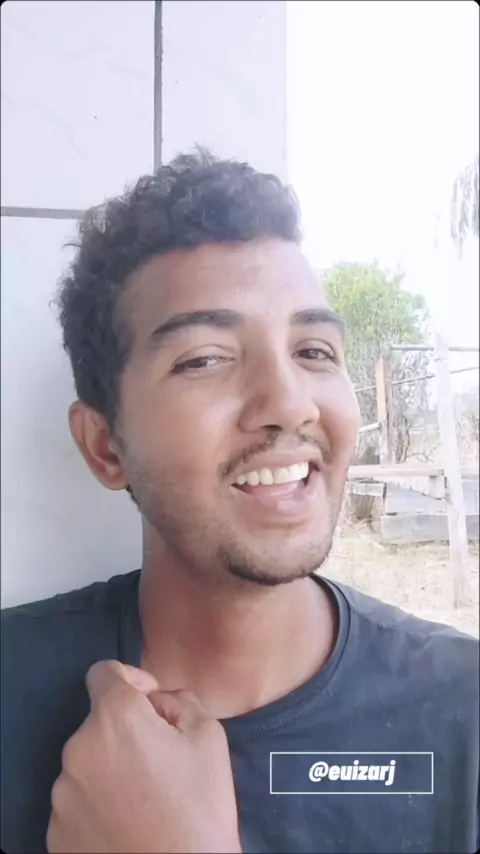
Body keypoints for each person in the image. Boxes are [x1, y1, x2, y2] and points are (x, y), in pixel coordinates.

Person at [1, 149, 478, 854]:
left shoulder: (462, 711)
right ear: (105, 447)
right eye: (204, 359)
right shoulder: (12, 691)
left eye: (314, 351)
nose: (289, 403)